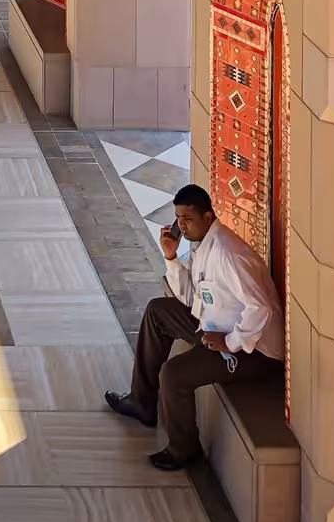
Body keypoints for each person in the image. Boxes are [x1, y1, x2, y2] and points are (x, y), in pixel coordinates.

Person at [105, 184, 283, 469]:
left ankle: (184, 449)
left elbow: (262, 308)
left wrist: (229, 342)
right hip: (213, 325)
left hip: (252, 350)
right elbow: (189, 298)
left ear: (208, 217)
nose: (182, 226)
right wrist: (171, 257)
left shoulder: (228, 253)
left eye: (188, 219)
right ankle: (141, 402)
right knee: (158, 311)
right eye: (178, 219)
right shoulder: (203, 247)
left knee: (174, 374)